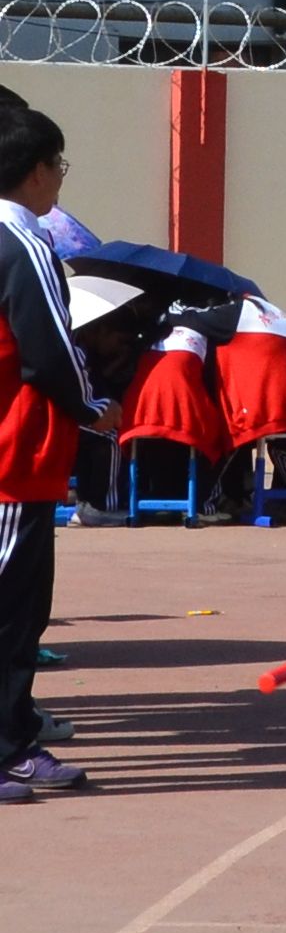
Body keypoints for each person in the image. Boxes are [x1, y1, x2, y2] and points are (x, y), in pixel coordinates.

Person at [0, 110, 107, 804]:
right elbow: (49, 351)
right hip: (14, 455)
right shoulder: (22, 241)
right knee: (13, 609)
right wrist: (92, 406)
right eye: (58, 167)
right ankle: (10, 748)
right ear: (37, 170)